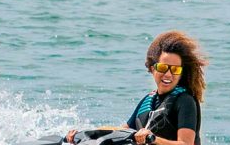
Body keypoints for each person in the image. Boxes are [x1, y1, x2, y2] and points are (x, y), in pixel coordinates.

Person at [67, 30, 207, 145]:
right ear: (152, 68)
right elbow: (121, 131)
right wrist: (84, 135)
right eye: (163, 67)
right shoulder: (147, 101)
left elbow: (186, 143)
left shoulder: (185, 101)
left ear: (181, 73)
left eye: (175, 69)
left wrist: (154, 139)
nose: (168, 74)